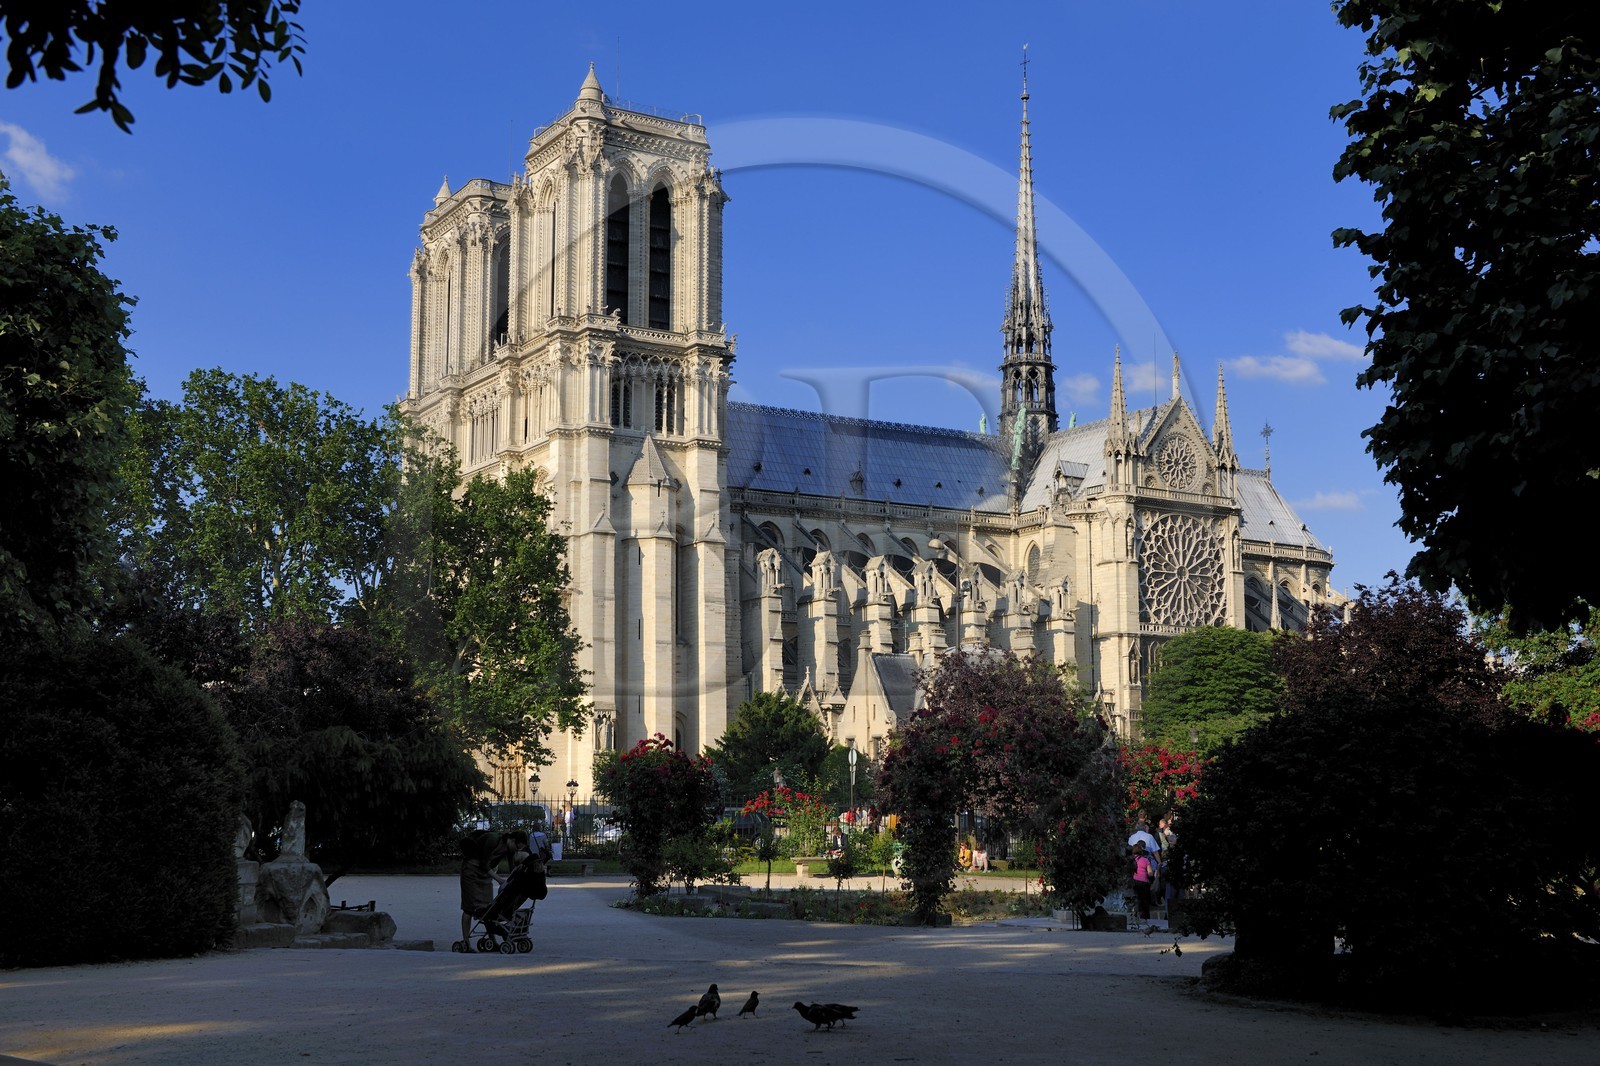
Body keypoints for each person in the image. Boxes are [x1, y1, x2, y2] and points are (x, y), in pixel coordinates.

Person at [459, 828, 527, 952]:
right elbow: (484, 863)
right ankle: (466, 942)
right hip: (472, 870)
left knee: (488, 909)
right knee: (468, 908)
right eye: (517, 847)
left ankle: (492, 941)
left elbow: (512, 870)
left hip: (485, 874)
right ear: (512, 840)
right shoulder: (493, 839)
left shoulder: (510, 849)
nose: (517, 851)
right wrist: (499, 880)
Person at [1130, 840, 1156, 920]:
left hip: (1134, 881)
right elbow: (1150, 873)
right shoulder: (1145, 860)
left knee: (1136, 898)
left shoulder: (1130, 860)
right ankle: (1145, 916)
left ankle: (1135, 914)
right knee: (1145, 899)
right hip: (1144, 882)